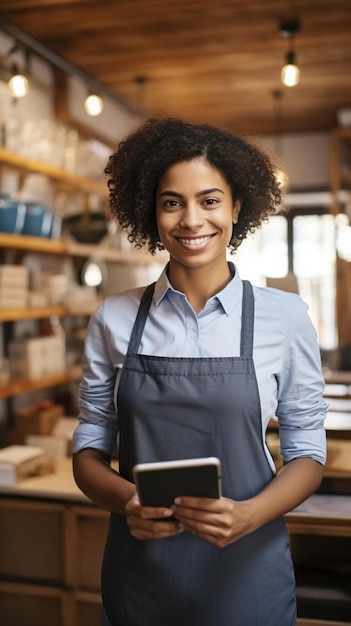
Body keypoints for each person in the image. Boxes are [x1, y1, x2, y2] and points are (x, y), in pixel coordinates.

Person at [72, 117, 328, 626]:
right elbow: (88, 450)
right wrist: (129, 503)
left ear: (236, 207)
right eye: (173, 202)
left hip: (247, 571)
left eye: (210, 200)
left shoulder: (285, 317)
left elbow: (307, 453)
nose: (192, 220)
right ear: (152, 212)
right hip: (141, 574)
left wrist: (249, 516)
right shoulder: (113, 318)